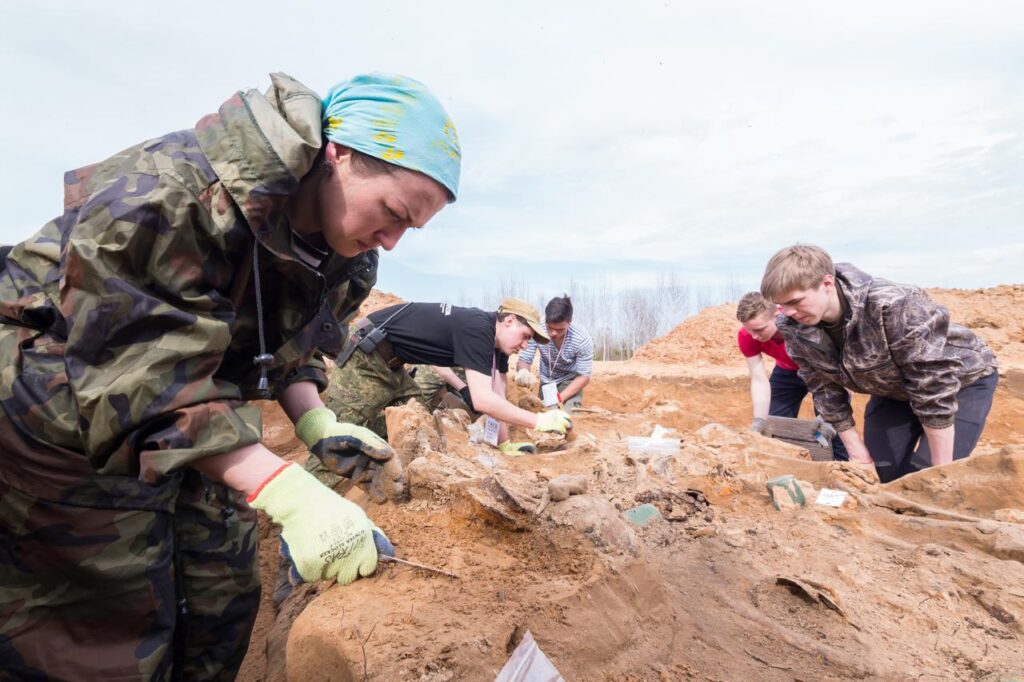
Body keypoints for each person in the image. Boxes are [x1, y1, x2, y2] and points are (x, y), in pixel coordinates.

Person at [0, 71, 460, 680]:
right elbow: (139, 375)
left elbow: (288, 348)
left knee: (221, 587)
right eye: (394, 213)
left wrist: (317, 421)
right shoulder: (167, 195)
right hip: (60, 401)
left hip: (197, 403)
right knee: (105, 621)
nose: (393, 240)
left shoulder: (346, 249)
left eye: (411, 229)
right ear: (339, 153)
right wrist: (289, 492)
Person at [760, 244, 998, 482]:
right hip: (893, 390)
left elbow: (931, 384)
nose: (789, 312)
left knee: (928, 475)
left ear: (827, 284)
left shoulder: (893, 304)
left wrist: (941, 472)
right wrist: (859, 456)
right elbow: (823, 388)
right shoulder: (793, 328)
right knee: (884, 472)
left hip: (959, 383)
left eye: (796, 301)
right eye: (783, 305)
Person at [313, 298, 573, 464]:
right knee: (336, 443)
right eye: (525, 336)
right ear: (509, 321)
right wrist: (538, 421)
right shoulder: (477, 328)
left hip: (392, 366)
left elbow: (498, 394)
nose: (525, 345)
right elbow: (483, 400)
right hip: (366, 357)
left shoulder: (498, 346)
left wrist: (504, 443)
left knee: (415, 422)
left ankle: (372, 461)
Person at [735, 291, 848, 460]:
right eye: (749, 330)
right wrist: (759, 421)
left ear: (778, 313)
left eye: (759, 329)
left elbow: (843, 371)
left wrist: (828, 415)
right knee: (775, 423)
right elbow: (759, 379)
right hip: (786, 372)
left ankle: (842, 470)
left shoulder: (806, 325)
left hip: (822, 372)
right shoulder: (747, 336)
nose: (754, 336)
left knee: (832, 425)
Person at [514, 295, 593, 410]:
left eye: (560, 329)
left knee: (568, 416)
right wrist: (523, 371)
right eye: (549, 327)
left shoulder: (582, 339)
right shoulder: (537, 329)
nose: (553, 333)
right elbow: (525, 359)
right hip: (547, 381)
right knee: (542, 414)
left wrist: (558, 398)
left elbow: (584, 377)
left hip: (569, 381)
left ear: (569, 322)